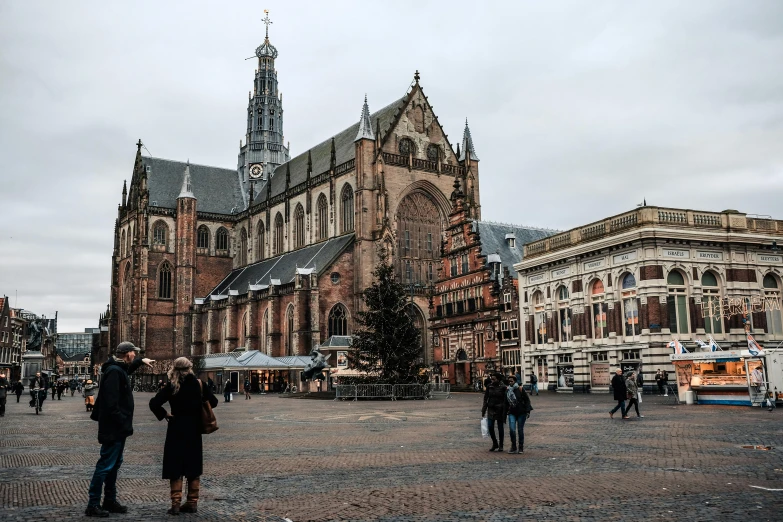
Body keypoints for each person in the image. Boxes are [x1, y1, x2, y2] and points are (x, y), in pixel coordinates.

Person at [85, 341, 154, 518]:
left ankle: (109, 500)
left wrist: (140, 362)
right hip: (113, 428)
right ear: (127, 353)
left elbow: (125, 373)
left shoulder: (117, 368)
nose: (135, 355)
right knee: (105, 465)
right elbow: (110, 403)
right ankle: (93, 504)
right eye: (134, 353)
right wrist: (122, 421)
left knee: (114, 465)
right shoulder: (114, 371)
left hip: (117, 427)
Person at [149, 357, 218, 515]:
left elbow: (154, 403)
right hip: (194, 429)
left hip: (176, 429)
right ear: (190, 368)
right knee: (193, 465)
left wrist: (165, 414)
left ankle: (175, 503)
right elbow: (213, 403)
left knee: (176, 466)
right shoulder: (199, 384)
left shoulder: (172, 386)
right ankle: (192, 502)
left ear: (175, 369)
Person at [505, 375, 532, 454]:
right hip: (512, 412)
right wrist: (505, 412)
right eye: (509, 381)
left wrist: (527, 411)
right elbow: (505, 402)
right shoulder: (507, 390)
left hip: (521, 412)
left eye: (512, 381)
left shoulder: (520, 389)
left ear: (515, 381)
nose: (510, 383)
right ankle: (513, 446)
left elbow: (527, 400)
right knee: (512, 430)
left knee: (520, 430)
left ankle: (521, 447)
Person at [481, 372, 508, 452]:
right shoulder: (489, 386)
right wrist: (484, 409)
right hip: (491, 408)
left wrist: (505, 409)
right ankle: (495, 443)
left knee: (500, 428)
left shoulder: (503, 387)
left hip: (500, 409)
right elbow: (486, 398)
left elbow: (505, 399)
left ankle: (501, 445)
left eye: (494, 379)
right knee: (490, 426)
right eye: (491, 379)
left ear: (498, 379)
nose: (492, 380)